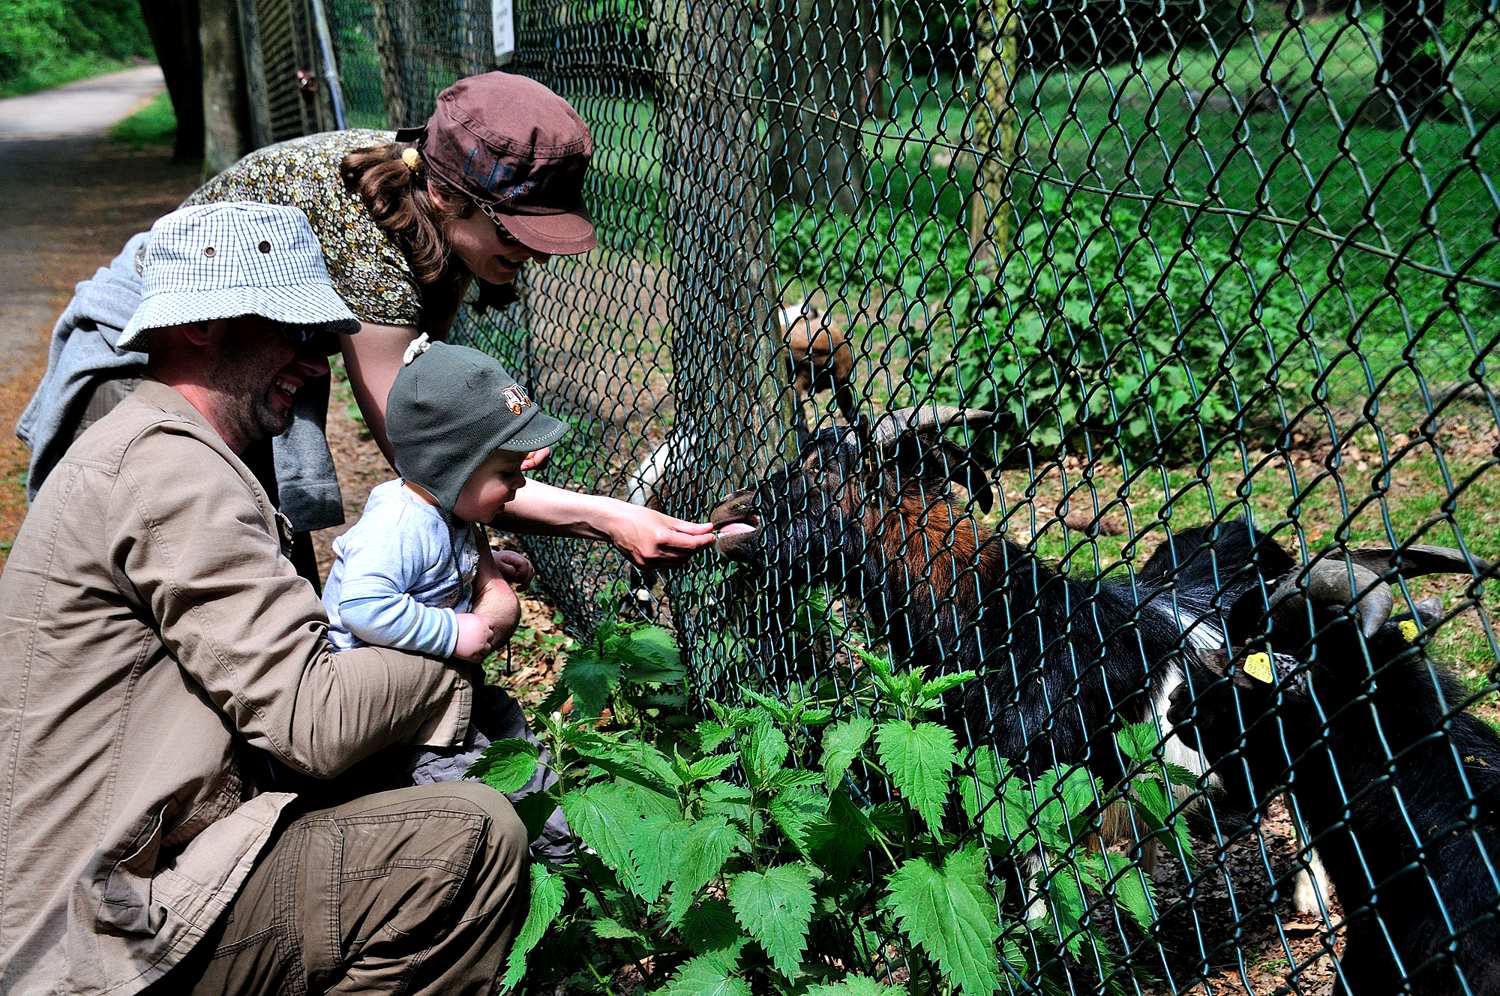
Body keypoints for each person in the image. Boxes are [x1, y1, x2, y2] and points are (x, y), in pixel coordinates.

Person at [0, 203, 529, 995]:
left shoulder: (154, 449)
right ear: (200, 325)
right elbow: (313, 724)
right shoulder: (169, 474)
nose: (317, 363)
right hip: (98, 942)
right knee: (470, 836)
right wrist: (463, 636)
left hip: (98, 893)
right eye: (294, 330)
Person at [18, 70, 713, 585]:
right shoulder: (373, 245)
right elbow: (429, 456)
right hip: (152, 347)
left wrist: (462, 548)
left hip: (247, 356)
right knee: (196, 565)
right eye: (515, 230)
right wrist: (611, 516)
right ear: (446, 195)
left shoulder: (430, 196)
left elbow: (442, 442)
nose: (533, 252)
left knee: (267, 568)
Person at [322, 336, 573, 862]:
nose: (517, 488)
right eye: (506, 474)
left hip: (433, 690)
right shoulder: (398, 524)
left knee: (505, 722)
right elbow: (364, 607)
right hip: (391, 720)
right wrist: (453, 631)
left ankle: (557, 825)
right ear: (454, 465)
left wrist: (487, 567)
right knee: (467, 781)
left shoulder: (445, 511)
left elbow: (433, 573)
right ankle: (533, 853)